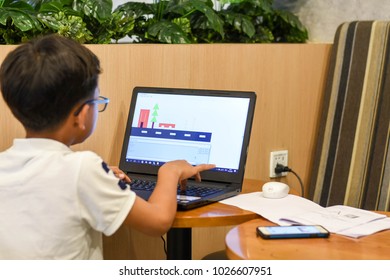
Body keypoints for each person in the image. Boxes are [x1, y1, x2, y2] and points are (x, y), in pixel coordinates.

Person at [0, 34, 215, 259]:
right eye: (97, 101)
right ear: (82, 115)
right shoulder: (82, 169)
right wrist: (170, 171)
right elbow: (158, 222)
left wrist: (98, 180)